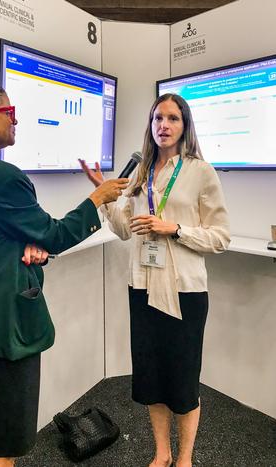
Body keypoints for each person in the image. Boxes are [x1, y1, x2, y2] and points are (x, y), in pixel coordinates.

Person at [0, 79, 128, 467]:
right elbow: (54, 235)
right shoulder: (3, 177)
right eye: (10, 113)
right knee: (2, 449)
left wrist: (26, 246)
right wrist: (97, 198)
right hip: (7, 326)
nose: (17, 120)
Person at [80, 93, 230, 467]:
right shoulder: (141, 172)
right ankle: (161, 453)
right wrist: (105, 196)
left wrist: (173, 228)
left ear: (185, 126)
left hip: (184, 292)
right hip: (143, 288)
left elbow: (220, 236)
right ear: (150, 125)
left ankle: (184, 459)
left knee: (182, 381)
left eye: (172, 119)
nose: (163, 125)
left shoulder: (200, 171)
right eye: (157, 118)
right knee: (151, 379)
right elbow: (124, 230)